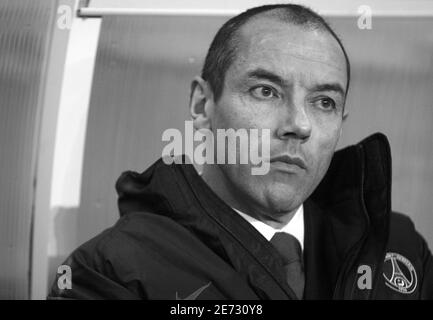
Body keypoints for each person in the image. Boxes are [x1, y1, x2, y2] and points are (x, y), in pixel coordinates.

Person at [48, 4, 433, 299]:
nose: (298, 124)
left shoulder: (398, 245)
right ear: (202, 106)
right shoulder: (111, 272)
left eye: (324, 102)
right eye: (265, 91)